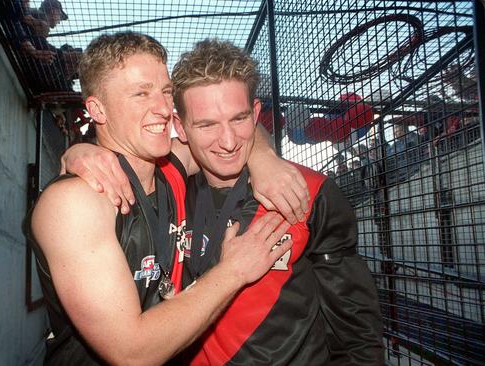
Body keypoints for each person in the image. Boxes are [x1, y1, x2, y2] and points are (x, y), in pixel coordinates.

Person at [68, 38, 384, 365]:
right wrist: (81, 151)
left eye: (238, 119)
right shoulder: (167, 188)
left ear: (256, 114)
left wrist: (263, 155)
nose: (229, 141)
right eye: (206, 125)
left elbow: (356, 327)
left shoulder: (310, 192)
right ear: (181, 128)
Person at [28, 31, 308, 365]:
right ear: (97, 109)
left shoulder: (172, 166)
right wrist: (234, 270)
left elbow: (232, 128)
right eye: (141, 94)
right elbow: (131, 353)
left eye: (165, 91)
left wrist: (264, 159)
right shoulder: (75, 203)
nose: (163, 108)